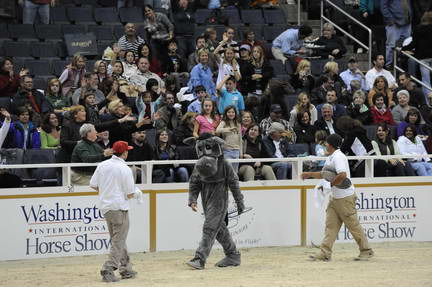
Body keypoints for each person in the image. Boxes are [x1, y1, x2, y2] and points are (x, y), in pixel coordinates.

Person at [301, 133, 374, 261]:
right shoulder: (331, 157)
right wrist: (310, 174)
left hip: (345, 198)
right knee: (331, 226)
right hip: (335, 197)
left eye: (326, 144)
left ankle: (366, 250)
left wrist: (329, 184)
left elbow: (342, 175)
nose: (325, 146)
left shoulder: (338, 157)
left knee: (353, 225)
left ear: (330, 144)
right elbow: (325, 174)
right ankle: (325, 253)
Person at [186, 134, 245, 270]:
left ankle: (200, 258)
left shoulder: (224, 164)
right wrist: (193, 199)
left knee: (210, 227)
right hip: (206, 198)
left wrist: (239, 201)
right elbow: (194, 182)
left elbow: (234, 183)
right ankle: (233, 255)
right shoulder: (199, 165)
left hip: (219, 198)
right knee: (219, 230)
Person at [90, 140, 138, 282]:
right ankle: (108, 268)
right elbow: (129, 194)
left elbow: (93, 185)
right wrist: (136, 192)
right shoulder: (125, 169)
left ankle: (126, 268)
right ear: (124, 153)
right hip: (119, 207)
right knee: (119, 240)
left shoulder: (102, 165)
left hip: (106, 207)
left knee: (118, 238)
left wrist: (106, 192)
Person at [402, 11, 432, 98]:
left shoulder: (418, 29)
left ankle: (428, 101)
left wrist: (403, 48)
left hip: (423, 58)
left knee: (426, 81)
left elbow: (413, 44)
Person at [381, 0, 412, 68]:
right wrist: (390, 19)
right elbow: (383, 6)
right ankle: (389, 64)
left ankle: (402, 64)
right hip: (394, 23)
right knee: (391, 44)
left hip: (407, 21)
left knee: (406, 44)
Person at [216, 105, 242, 172]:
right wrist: (229, 129)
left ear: (235, 113)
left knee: (235, 172)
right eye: (229, 112)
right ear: (226, 113)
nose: (231, 114)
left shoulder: (238, 124)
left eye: (233, 112)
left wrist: (241, 152)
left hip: (236, 150)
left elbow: (240, 138)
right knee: (227, 171)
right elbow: (217, 130)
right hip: (227, 150)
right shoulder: (223, 122)